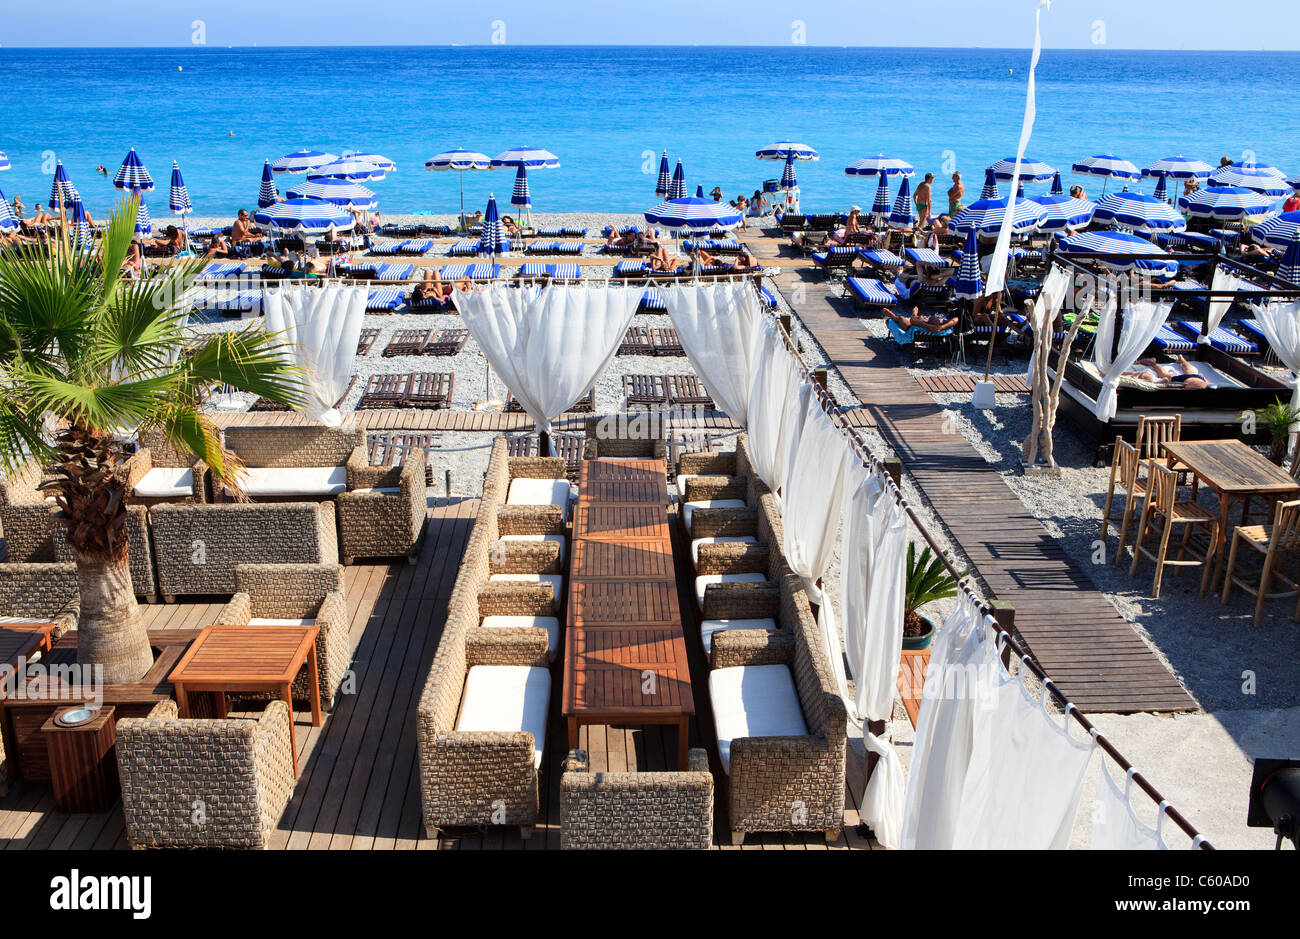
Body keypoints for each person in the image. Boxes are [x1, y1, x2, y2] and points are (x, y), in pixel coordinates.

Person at [1125, 356, 1209, 390]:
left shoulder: (1212, 387)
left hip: (1197, 379)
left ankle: (1182, 359)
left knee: (1191, 371)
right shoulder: (1216, 390)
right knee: (1164, 375)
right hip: (1188, 380)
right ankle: (1152, 363)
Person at [884, 305, 957, 333]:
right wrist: (943, 327)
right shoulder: (940, 323)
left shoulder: (930, 325)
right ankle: (916, 315)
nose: (939, 318)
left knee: (901, 318)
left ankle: (893, 316)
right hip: (924, 323)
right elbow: (956, 319)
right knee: (919, 318)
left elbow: (912, 320)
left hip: (911, 327)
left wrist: (929, 326)